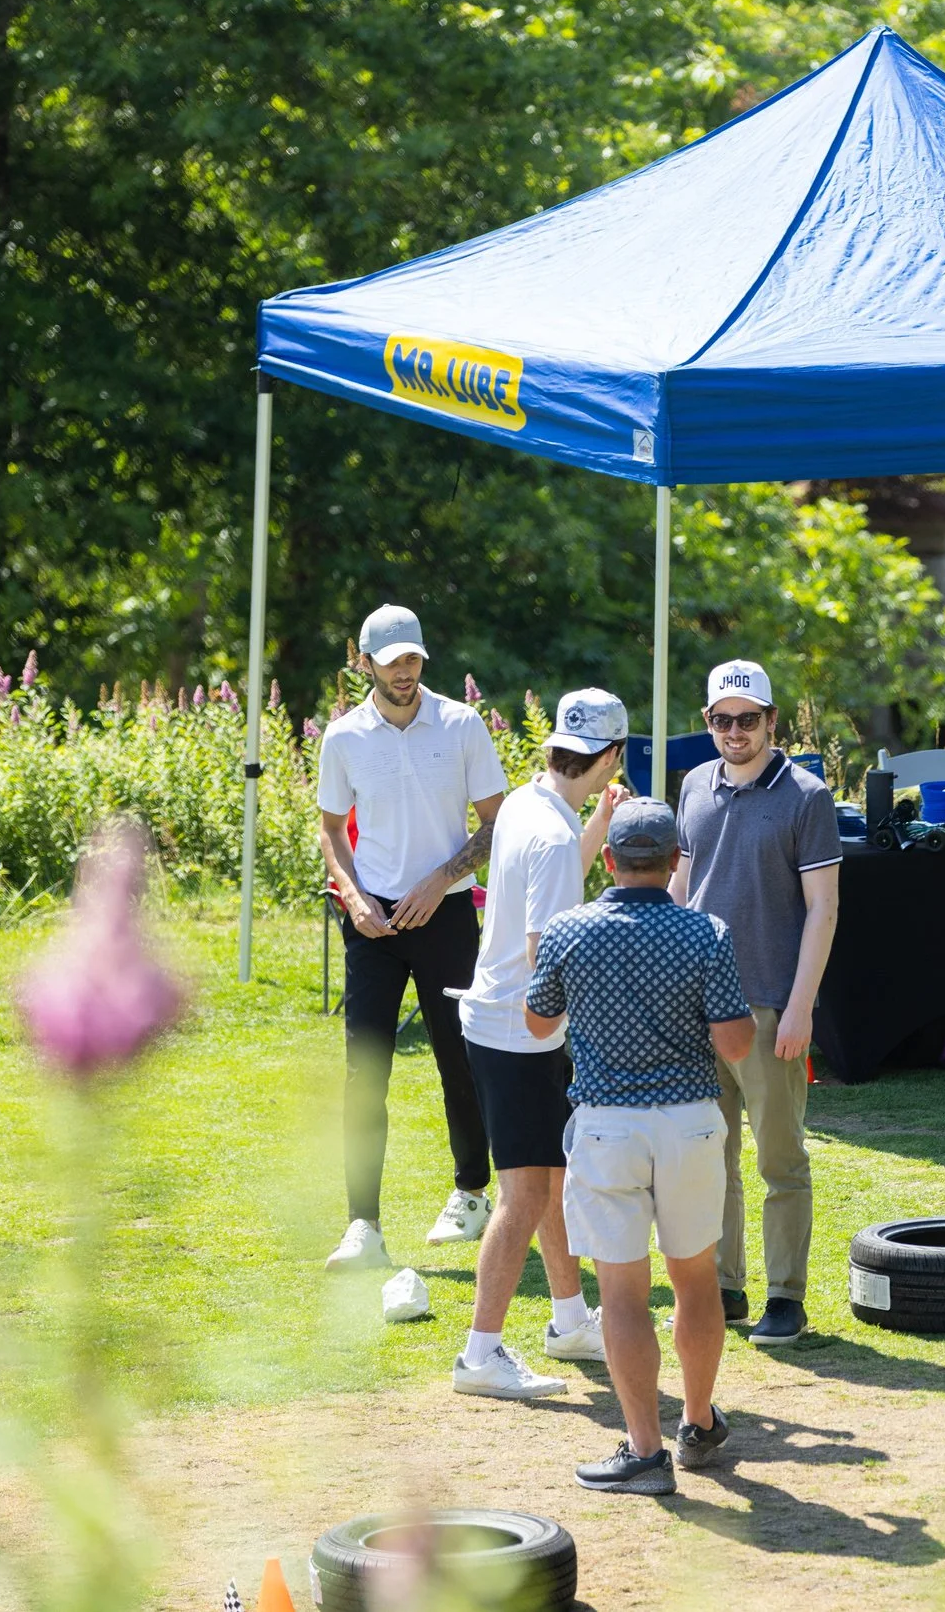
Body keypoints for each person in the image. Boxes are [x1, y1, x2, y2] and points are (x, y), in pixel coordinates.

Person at [525, 798, 754, 1496]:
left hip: (607, 1126)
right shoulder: (704, 932)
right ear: (674, 861)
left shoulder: (569, 929)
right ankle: (698, 1422)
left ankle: (645, 1450)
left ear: (610, 860)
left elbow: (538, 1023)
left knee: (622, 1292)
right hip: (688, 1121)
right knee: (695, 1277)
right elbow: (735, 1043)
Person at [449, 687, 631, 1401]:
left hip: (502, 1025)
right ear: (611, 755)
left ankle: (567, 1320)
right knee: (523, 1195)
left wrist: (602, 823)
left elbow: (551, 889)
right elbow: (543, 949)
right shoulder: (553, 833)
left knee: (550, 1180)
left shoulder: (532, 802)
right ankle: (479, 1354)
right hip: (518, 1035)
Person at [315, 604, 508, 1271]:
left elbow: (494, 822)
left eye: (414, 658)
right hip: (371, 922)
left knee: (461, 1058)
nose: (405, 670)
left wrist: (442, 879)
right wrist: (352, 894)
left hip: (446, 914)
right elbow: (333, 830)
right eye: (391, 659)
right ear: (363, 663)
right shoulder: (342, 738)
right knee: (364, 1071)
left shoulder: (460, 724)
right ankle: (362, 1225)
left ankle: (473, 1191)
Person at [673, 660, 841, 1347]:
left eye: (748, 718)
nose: (734, 731)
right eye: (721, 719)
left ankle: (785, 1296)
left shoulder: (806, 795)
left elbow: (824, 908)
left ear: (773, 721)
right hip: (702, 1007)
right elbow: (680, 888)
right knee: (708, 1159)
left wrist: (801, 1007)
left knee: (780, 1160)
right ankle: (724, 1286)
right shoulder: (692, 785)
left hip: (771, 1005)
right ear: (708, 722)